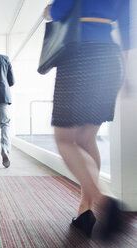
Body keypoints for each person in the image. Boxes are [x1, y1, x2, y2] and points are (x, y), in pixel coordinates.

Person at [44, 0, 131, 239]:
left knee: (64, 139)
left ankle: (103, 201)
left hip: (79, 56)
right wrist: (126, 75)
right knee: (86, 138)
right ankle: (85, 210)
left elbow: (59, 11)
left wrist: (47, 9)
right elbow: (126, 30)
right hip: (110, 60)